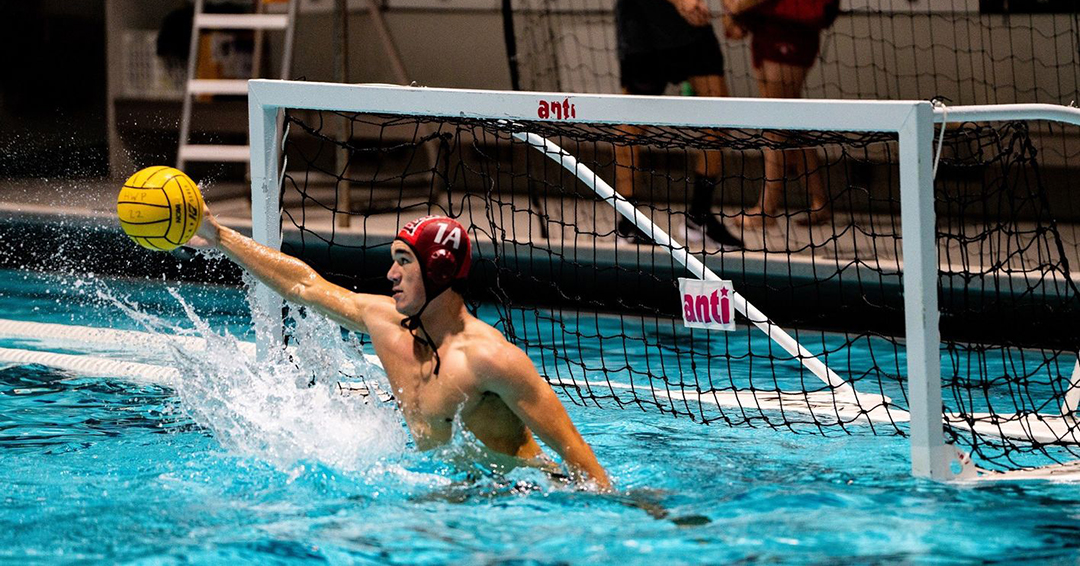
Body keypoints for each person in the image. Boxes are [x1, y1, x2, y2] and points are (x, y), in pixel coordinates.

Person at [189, 207, 612, 490]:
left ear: (439, 270)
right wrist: (220, 236)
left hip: (518, 497)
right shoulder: (385, 324)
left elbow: (577, 455)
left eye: (404, 261)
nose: (390, 273)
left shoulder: (490, 359)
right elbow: (305, 285)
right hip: (451, 491)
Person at [613, 0, 743, 249]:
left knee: (719, 116)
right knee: (632, 125)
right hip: (644, 29)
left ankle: (699, 217)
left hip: (691, 29)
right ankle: (627, 222)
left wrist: (732, 10)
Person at [722, 0, 839, 228]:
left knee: (777, 122)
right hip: (767, 29)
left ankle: (767, 209)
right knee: (790, 123)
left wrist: (736, 7)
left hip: (790, 29)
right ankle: (819, 202)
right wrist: (733, 13)